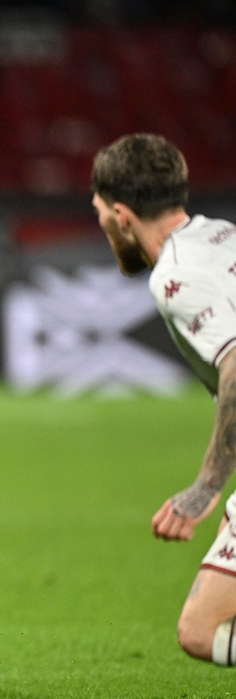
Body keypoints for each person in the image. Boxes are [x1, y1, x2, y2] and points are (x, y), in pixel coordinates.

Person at [90, 132, 236, 667]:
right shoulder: (224, 235)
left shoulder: (175, 274)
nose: (103, 226)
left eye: (101, 213)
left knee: (202, 630)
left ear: (122, 216)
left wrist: (206, 486)